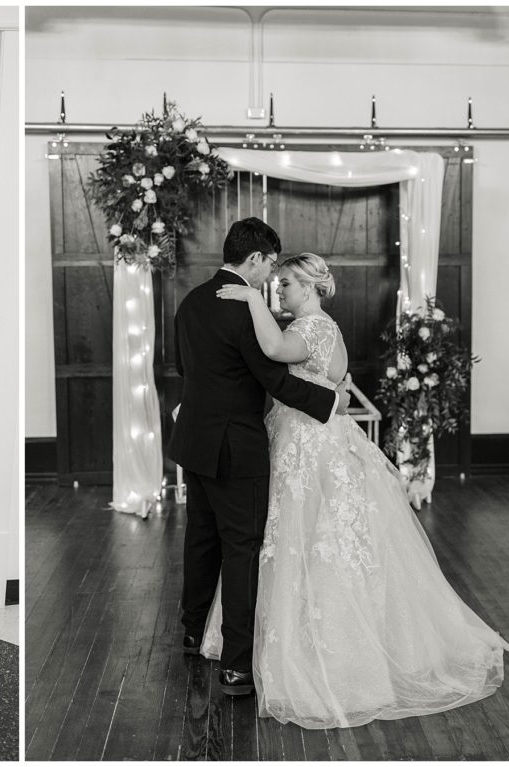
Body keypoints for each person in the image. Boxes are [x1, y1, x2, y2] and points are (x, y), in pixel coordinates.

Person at [204, 252, 509, 728]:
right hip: (303, 437)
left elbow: (271, 352)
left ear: (307, 287)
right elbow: (329, 384)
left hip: (309, 444)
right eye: (276, 284)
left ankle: (335, 652)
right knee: (297, 536)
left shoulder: (311, 328)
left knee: (313, 538)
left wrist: (249, 297)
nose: (278, 292)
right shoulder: (325, 327)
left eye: (284, 284)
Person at [167, 217, 350, 696]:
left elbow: (182, 367)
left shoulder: (190, 301)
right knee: (242, 549)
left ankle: (190, 630)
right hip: (236, 448)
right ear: (254, 258)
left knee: (201, 539)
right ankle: (234, 666)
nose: (272, 275)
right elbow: (274, 378)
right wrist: (330, 402)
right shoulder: (242, 308)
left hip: (194, 441)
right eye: (270, 263)